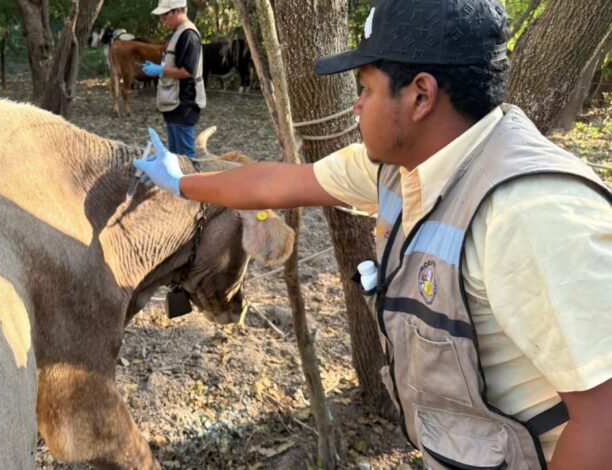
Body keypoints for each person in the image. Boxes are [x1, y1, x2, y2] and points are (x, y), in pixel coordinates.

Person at [134, 0, 612, 468]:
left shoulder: (529, 212)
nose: (357, 105)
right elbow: (276, 182)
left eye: (365, 88)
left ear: (420, 96)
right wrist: (182, 180)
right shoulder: (401, 167)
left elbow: (603, 421)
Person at [141, 0, 205, 158]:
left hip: (184, 104)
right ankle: (177, 182)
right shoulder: (178, 32)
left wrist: (160, 70)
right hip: (174, 105)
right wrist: (160, 66)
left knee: (186, 157)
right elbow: (176, 64)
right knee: (175, 156)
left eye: (164, 16)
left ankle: (190, 182)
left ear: (176, 11)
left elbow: (187, 71)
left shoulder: (189, 35)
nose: (163, 21)